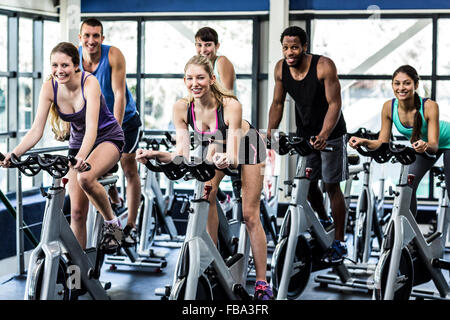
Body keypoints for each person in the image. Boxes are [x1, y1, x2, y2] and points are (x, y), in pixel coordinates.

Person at [136, 55, 274, 300]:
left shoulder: (230, 105)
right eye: (189, 78)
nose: (194, 83)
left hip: (247, 145)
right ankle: (213, 260)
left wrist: (222, 157)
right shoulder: (182, 107)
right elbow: (181, 154)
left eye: (200, 78)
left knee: (249, 215)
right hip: (216, 146)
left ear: (212, 79)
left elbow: (231, 154)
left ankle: (263, 283)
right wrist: (157, 154)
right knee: (205, 194)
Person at [0, 42, 125, 253]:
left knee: (84, 178)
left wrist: (82, 158)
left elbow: (92, 129)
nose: (59, 71)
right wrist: (13, 155)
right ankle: (78, 273)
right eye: (54, 65)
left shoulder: (89, 82)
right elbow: (36, 131)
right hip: (78, 144)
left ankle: (113, 224)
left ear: (76, 65)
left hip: (107, 138)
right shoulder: (50, 87)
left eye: (65, 65)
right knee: (76, 212)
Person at [266, 26, 349, 264]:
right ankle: (324, 220)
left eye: (294, 47)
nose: (289, 52)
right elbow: (277, 103)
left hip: (332, 132)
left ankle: (340, 241)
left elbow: (335, 104)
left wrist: (324, 133)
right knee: (307, 183)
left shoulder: (324, 66)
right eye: (285, 47)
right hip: (305, 133)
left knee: (331, 186)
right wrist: (270, 132)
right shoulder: (281, 69)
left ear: (304, 46)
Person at [349, 64, 450, 217]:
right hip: (422, 146)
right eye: (397, 83)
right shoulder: (388, 107)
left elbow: (434, 146)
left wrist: (424, 145)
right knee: (406, 186)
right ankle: (409, 234)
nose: (401, 87)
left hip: (445, 141)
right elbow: (382, 142)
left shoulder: (429, 106)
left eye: (407, 83)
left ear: (416, 85)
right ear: (392, 85)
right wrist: (363, 141)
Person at [78, 18, 142, 247]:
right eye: (87, 35)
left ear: (102, 38)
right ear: (80, 38)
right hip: (96, 121)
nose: (91, 40)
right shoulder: (74, 58)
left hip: (124, 120)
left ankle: (132, 226)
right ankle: (114, 200)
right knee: (97, 166)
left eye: (96, 36)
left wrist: (112, 131)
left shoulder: (113, 55)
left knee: (128, 168)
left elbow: (119, 94)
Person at [195, 26, 237, 211]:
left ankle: (231, 202)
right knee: (201, 174)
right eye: (199, 45)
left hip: (224, 126)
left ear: (217, 45)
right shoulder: (198, 66)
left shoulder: (221, 62)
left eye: (208, 45)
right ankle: (222, 201)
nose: (203, 49)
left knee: (212, 176)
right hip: (207, 127)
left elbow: (226, 98)